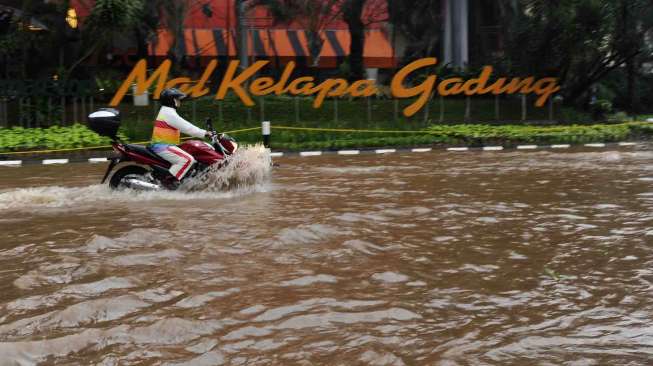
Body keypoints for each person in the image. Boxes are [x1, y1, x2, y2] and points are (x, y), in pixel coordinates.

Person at [149, 88, 213, 185]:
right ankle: (168, 183)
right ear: (172, 100)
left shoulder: (167, 111)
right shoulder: (169, 113)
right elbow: (187, 128)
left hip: (166, 146)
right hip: (163, 147)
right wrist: (204, 133)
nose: (179, 101)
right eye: (178, 99)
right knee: (187, 160)